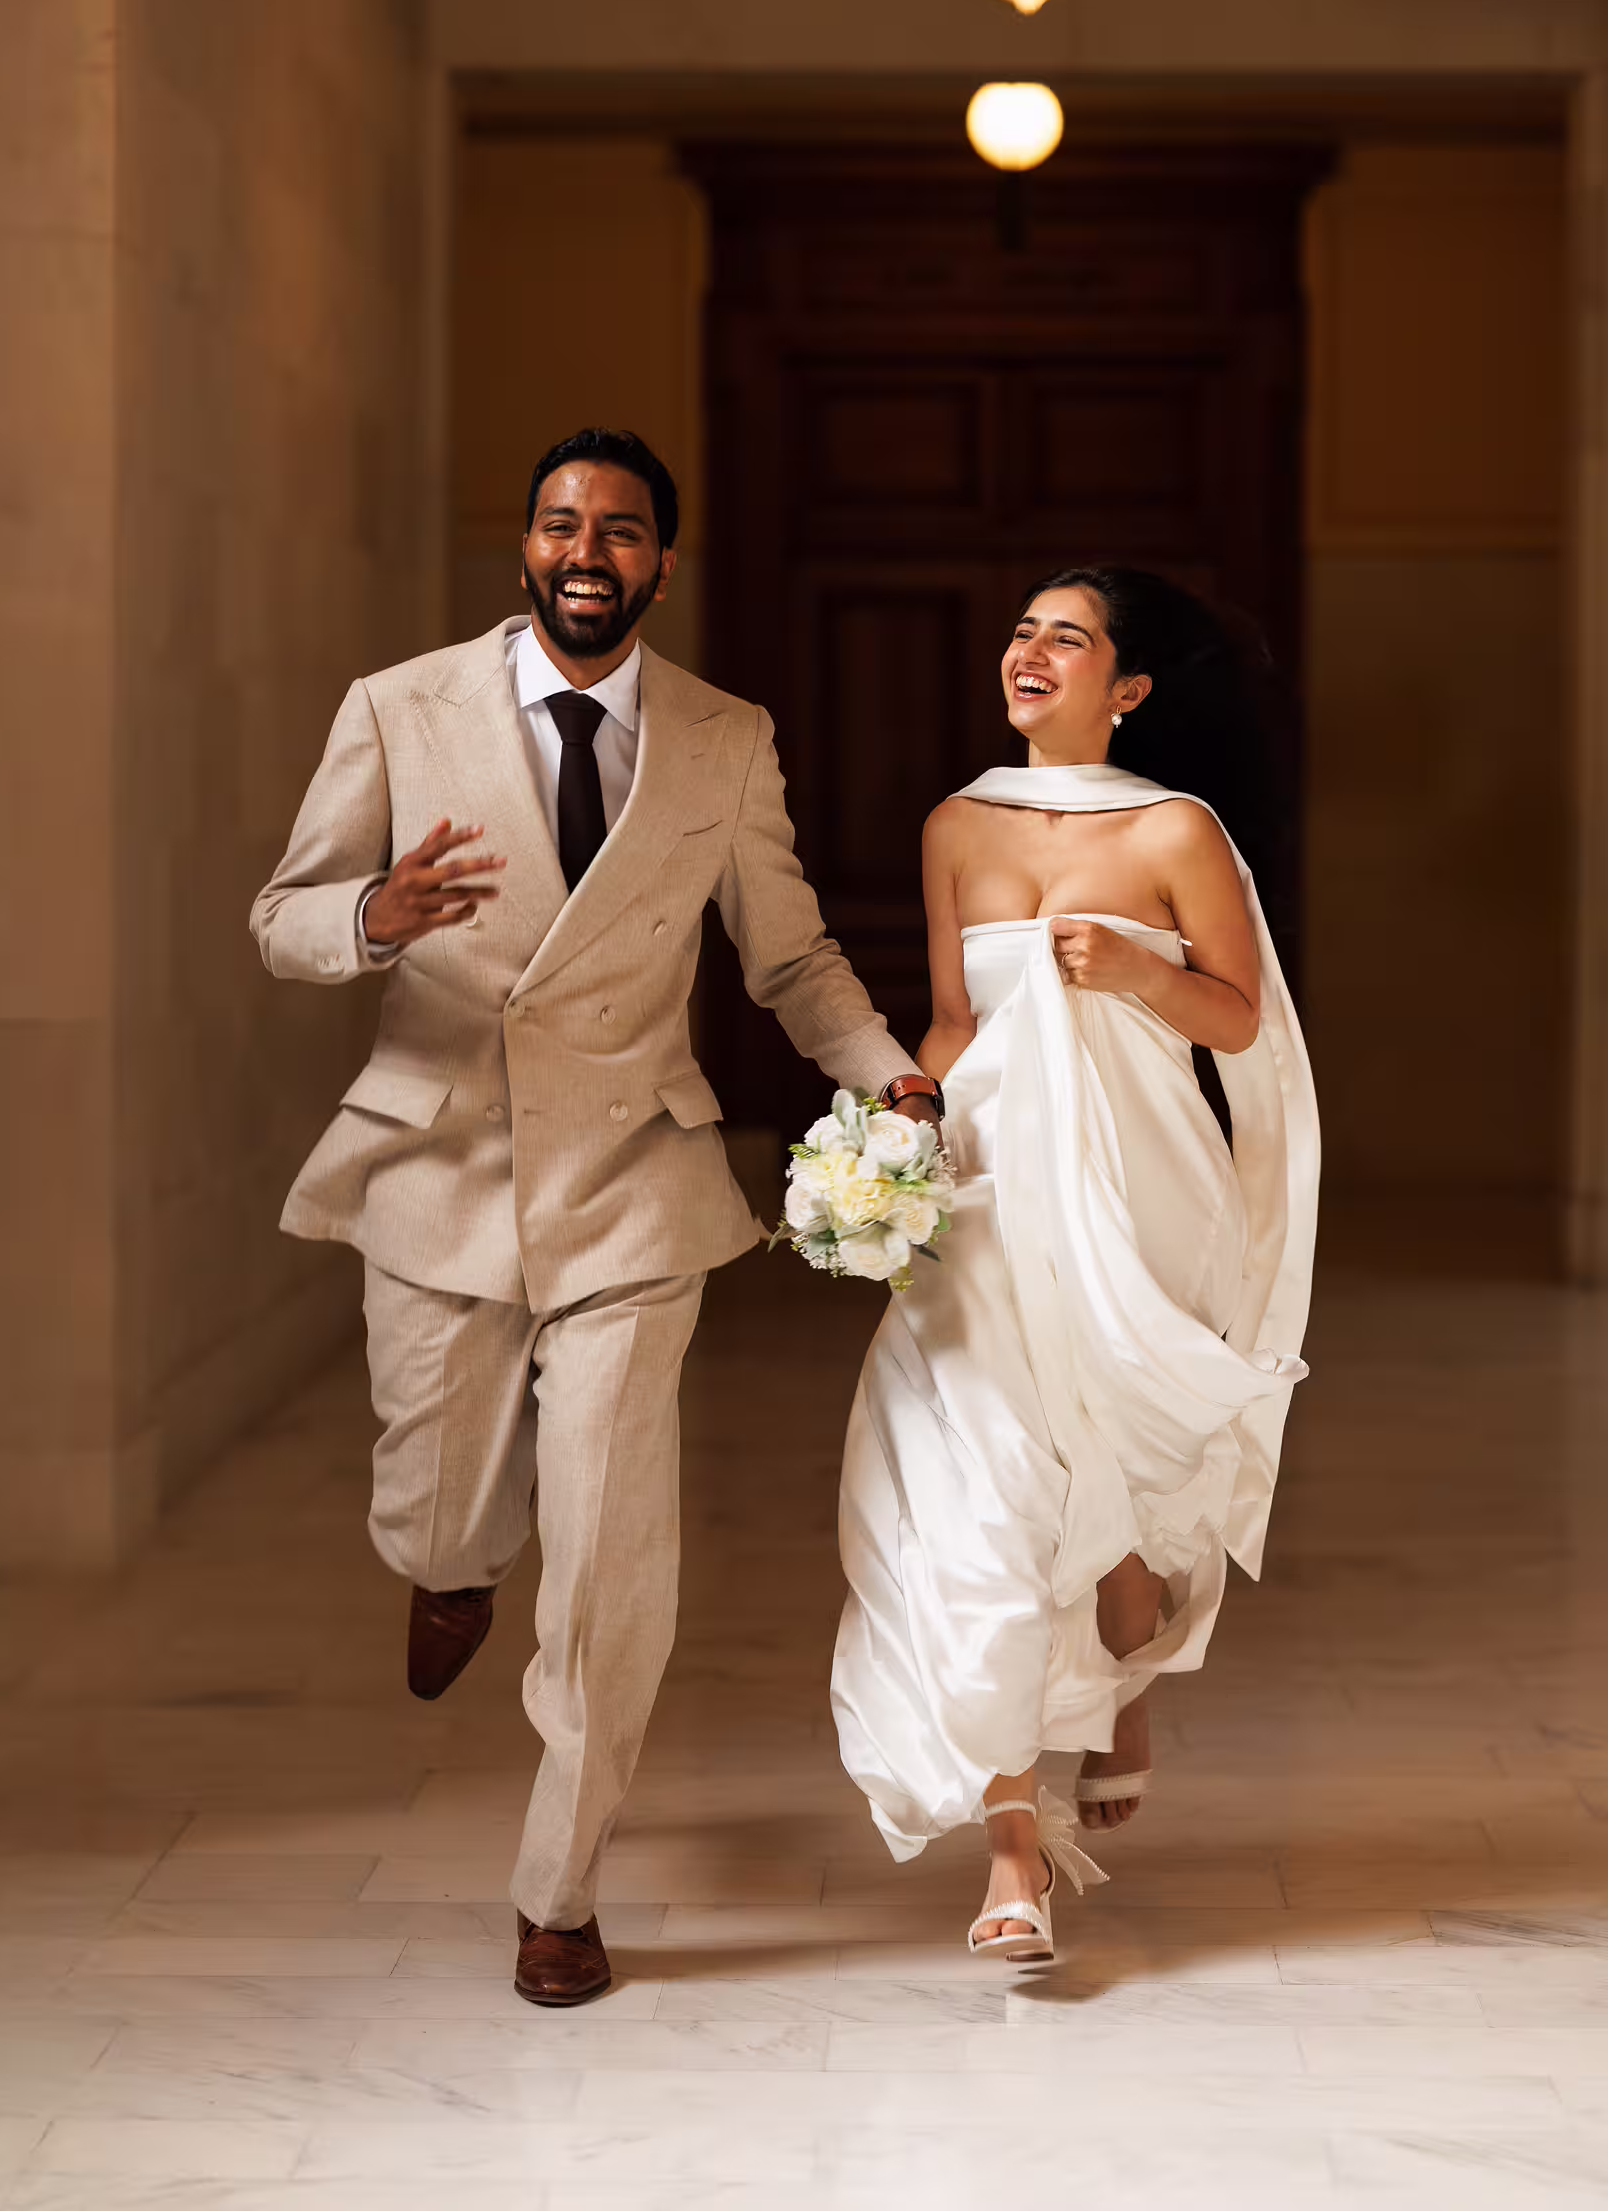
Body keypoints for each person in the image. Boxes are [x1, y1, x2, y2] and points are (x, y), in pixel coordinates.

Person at [250, 428, 939, 2006]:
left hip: (632, 1176)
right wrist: (374, 914)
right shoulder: (397, 706)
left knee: (614, 1559)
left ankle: (558, 1891)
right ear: (525, 548)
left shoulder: (720, 736)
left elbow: (789, 956)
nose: (586, 549)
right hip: (439, 1166)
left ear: (658, 563)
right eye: (560, 522)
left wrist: (888, 1076)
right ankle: (448, 1558)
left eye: (618, 530)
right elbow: (280, 917)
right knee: (433, 1497)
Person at [830, 566, 1319, 1959]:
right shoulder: (953, 824)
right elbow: (942, 1021)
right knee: (972, 1496)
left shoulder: (1174, 830)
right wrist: (890, 1155)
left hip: (1139, 1187)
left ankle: (1123, 1628)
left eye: (1068, 635)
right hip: (987, 1192)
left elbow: (1235, 1021)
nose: (1028, 650)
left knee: (1113, 1455)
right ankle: (1010, 1855)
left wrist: (1137, 975)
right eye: (1021, 630)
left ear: (1128, 686)